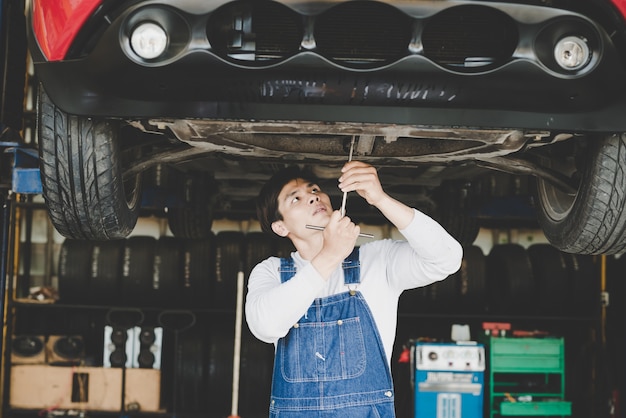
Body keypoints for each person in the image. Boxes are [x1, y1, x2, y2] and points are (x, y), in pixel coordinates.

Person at [245, 161, 463, 417]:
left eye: (314, 189)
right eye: (296, 199)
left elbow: (447, 258)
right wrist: (329, 255)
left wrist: (380, 199)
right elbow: (265, 326)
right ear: (281, 227)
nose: (313, 198)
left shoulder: (375, 261)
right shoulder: (271, 272)